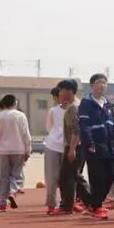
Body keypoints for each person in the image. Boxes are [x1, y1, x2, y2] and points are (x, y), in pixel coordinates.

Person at [78, 73, 114, 219]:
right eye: (98, 82)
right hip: (94, 146)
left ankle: (93, 203)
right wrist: (89, 143)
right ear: (92, 85)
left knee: (110, 176)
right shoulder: (86, 103)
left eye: (104, 83)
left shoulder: (108, 104)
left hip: (108, 147)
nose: (102, 85)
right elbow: (83, 125)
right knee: (97, 178)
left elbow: (113, 124)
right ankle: (96, 207)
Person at [0, 95, 32, 212]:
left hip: (3, 150)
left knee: (2, 177)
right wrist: (28, 150)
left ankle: (1, 203)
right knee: (16, 174)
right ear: (14, 103)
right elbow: (26, 134)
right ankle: (12, 191)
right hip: (18, 149)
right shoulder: (21, 115)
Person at [57, 80, 92, 215]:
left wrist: (72, 149)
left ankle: (67, 206)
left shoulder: (74, 108)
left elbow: (76, 130)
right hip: (76, 145)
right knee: (74, 176)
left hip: (74, 146)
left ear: (69, 91)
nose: (60, 93)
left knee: (67, 177)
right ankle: (90, 202)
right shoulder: (74, 106)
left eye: (61, 90)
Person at [43, 87, 67, 215]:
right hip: (53, 145)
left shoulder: (74, 109)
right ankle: (51, 203)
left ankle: (67, 202)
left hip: (67, 146)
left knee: (66, 177)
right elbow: (49, 128)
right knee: (51, 176)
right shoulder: (53, 111)